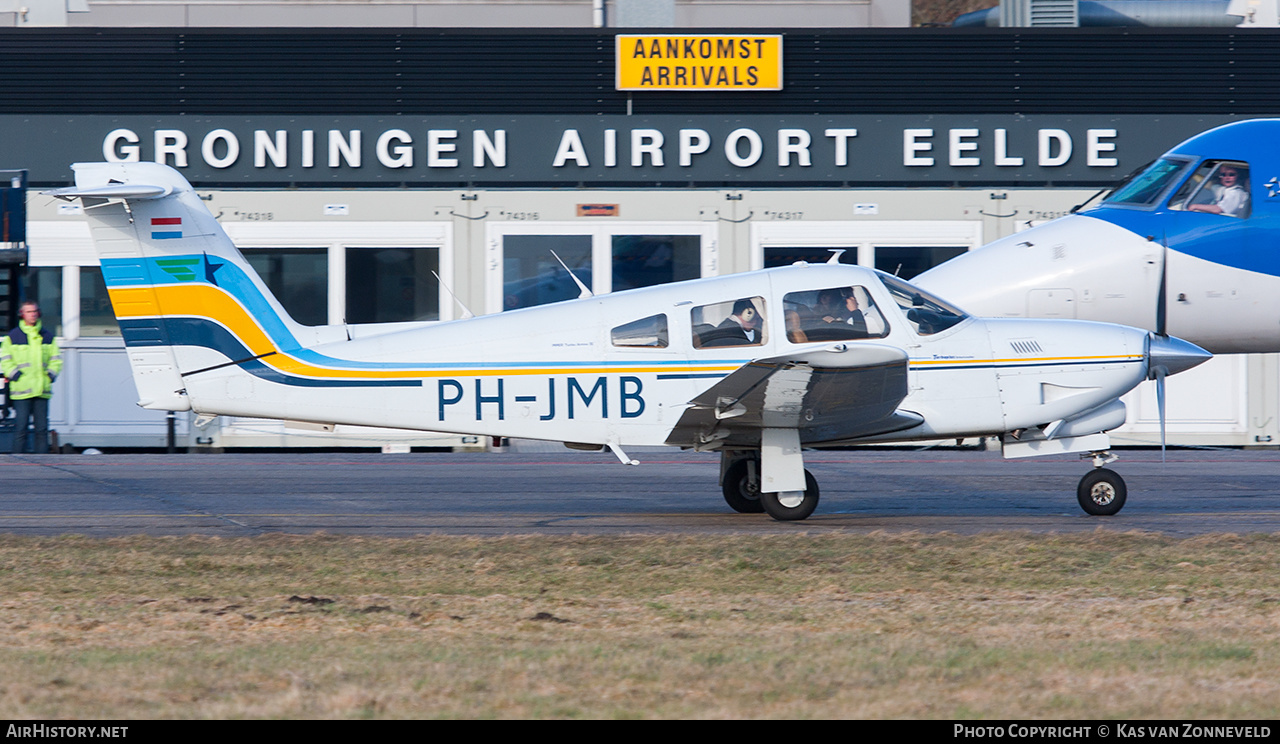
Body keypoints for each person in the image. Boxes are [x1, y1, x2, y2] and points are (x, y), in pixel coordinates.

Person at [2, 302, 62, 454]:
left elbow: (56, 360)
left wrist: (49, 376)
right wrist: (15, 375)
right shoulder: (13, 336)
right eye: (29, 312)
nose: (33, 314)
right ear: (22, 314)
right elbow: (5, 358)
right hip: (21, 390)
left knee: (41, 430)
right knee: (20, 429)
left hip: (42, 389)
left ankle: (43, 463)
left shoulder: (47, 336)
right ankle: (18, 462)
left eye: (35, 311)